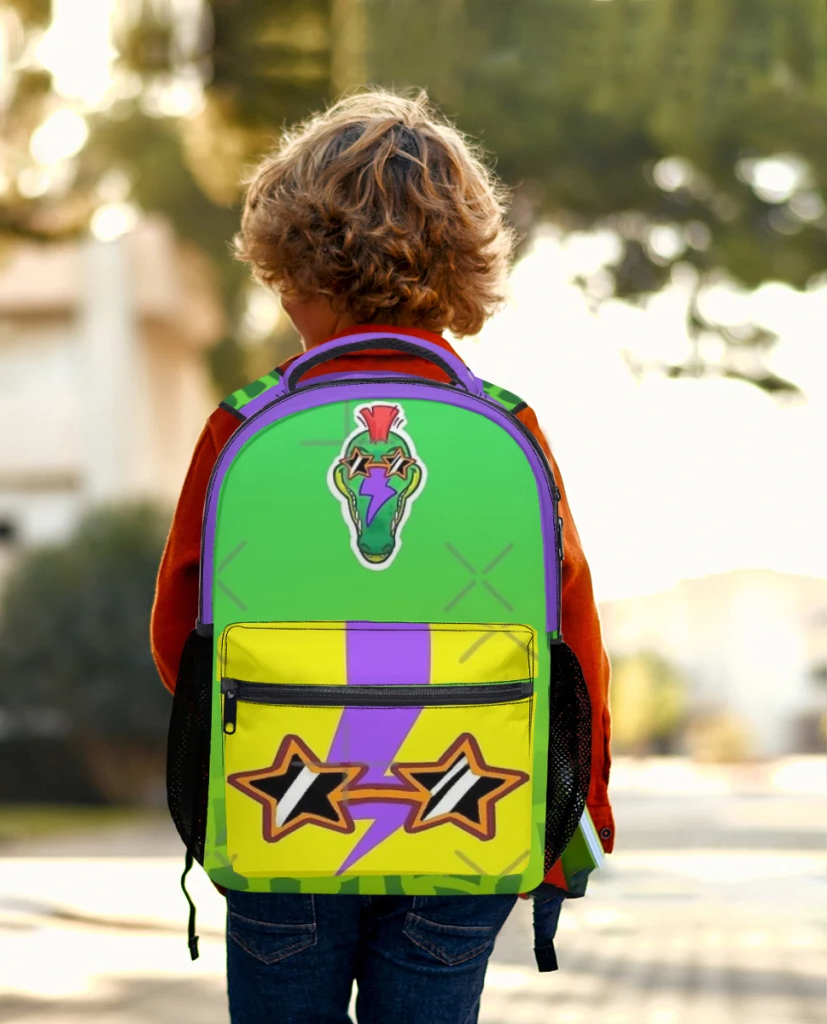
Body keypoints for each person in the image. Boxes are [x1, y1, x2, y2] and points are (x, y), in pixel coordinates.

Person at [151, 88, 613, 1024]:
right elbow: (573, 637)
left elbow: (179, 637)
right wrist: (578, 815)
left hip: (283, 809)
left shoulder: (243, 424)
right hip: (466, 809)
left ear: (294, 268)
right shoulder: (510, 427)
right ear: (463, 268)